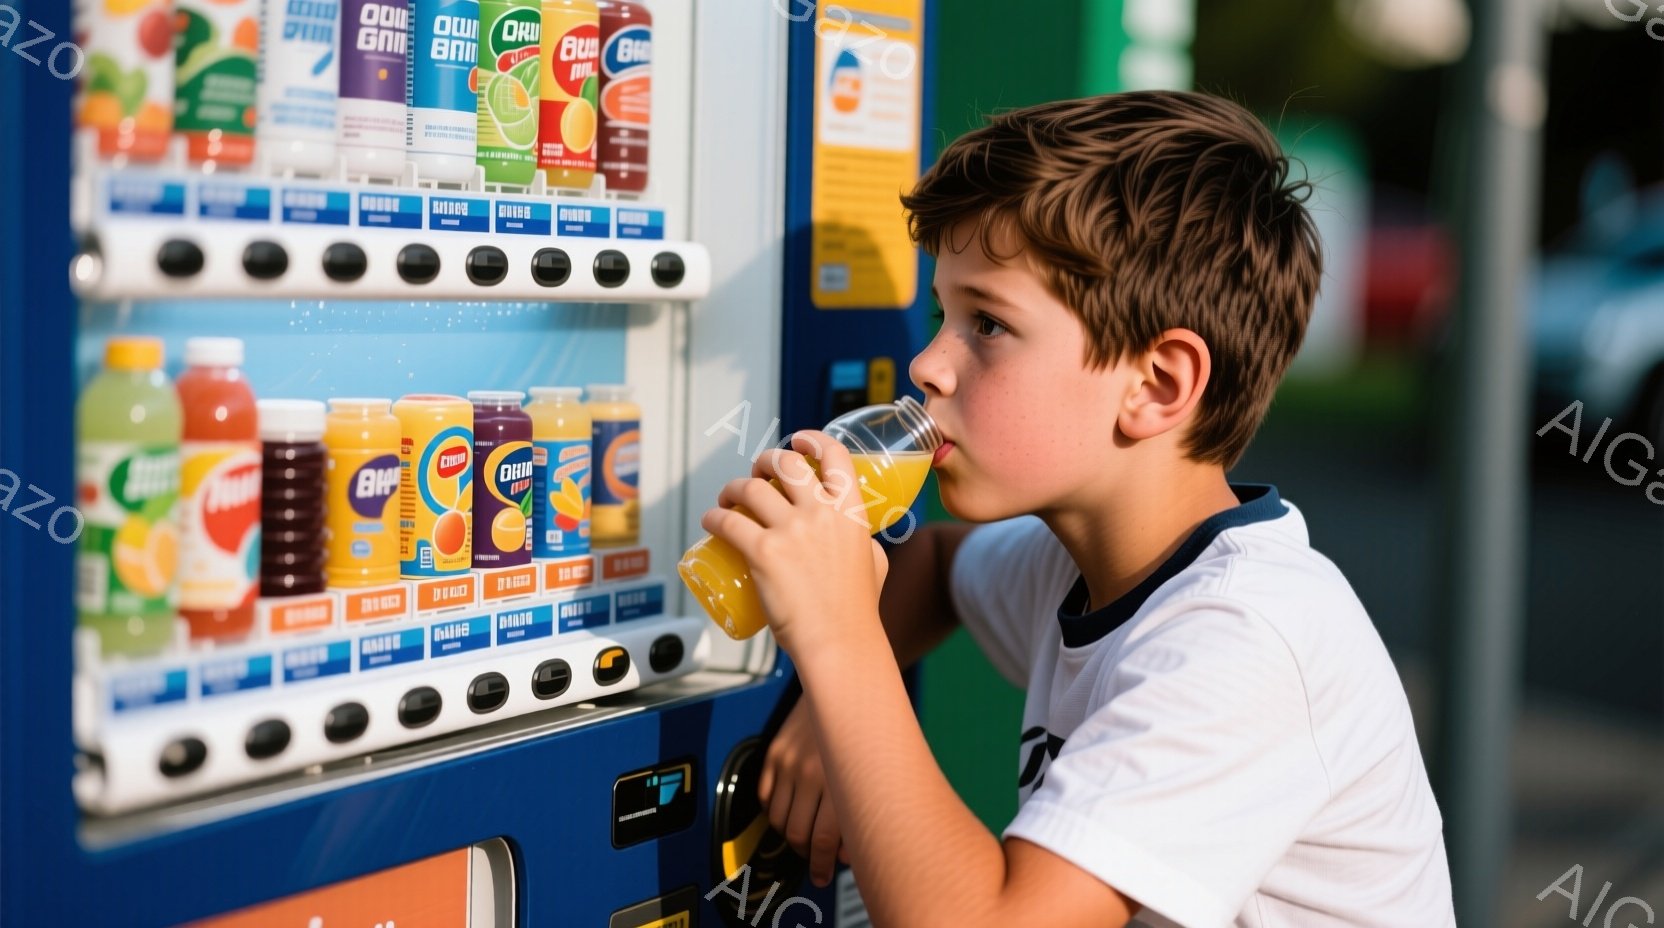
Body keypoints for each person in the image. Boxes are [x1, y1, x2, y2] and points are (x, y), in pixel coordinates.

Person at [700, 90, 1457, 928]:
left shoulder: (1246, 639)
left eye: (985, 324)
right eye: (942, 315)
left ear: (1157, 385)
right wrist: (823, 713)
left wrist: (841, 648)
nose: (926, 364)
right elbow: (941, 567)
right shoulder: (1082, 559)